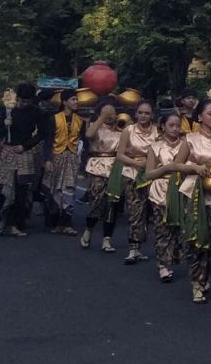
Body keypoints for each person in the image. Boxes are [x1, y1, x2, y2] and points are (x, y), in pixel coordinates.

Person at [177, 99, 211, 303]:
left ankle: (207, 275)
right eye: (210, 113)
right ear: (200, 117)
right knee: (196, 238)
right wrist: (195, 168)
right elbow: (177, 165)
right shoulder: (190, 139)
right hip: (195, 192)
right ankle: (196, 281)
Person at [0, 83, 50, 237]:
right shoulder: (8, 111)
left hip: (25, 152)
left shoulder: (37, 112)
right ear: (16, 98)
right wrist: (5, 126)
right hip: (8, 150)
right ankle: (3, 219)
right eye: (20, 101)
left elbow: (42, 133)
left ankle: (17, 223)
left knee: (22, 189)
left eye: (27, 101)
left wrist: (25, 146)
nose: (23, 104)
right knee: (4, 187)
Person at [144, 111, 188, 282]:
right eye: (171, 125)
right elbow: (149, 173)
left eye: (178, 126)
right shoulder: (155, 147)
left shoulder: (186, 144)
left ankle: (175, 255)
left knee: (178, 228)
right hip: (161, 189)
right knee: (162, 228)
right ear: (163, 126)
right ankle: (163, 264)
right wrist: (166, 169)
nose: (175, 129)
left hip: (181, 189)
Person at [115, 100, 160, 265]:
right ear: (136, 114)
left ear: (152, 115)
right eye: (140, 112)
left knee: (156, 211)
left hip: (153, 174)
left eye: (147, 113)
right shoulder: (128, 130)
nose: (143, 116)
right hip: (133, 172)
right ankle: (133, 248)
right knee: (135, 210)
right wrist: (135, 163)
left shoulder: (157, 131)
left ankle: (161, 248)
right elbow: (119, 154)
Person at [80, 99, 123, 252]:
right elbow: (88, 134)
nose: (110, 115)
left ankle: (107, 239)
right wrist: (101, 118)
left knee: (113, 204)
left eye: (112, 112)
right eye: (106, 112)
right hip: (97, 164)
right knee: (96, 201)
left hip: (115, 167)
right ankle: (89, 229)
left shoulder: (121, 129)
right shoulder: (95, 127)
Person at [44, 90, 82, 235]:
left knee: (69, 190)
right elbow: (48, 141)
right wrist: (47, 159)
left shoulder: (79, 120)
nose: (76, 102)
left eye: (76, 100)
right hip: (57, 156)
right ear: (65, 102)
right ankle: (53, 222)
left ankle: (67, 222)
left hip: (71, 158)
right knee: (55, 189)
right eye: (73, 100)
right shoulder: (54, 118)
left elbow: (81, 141)